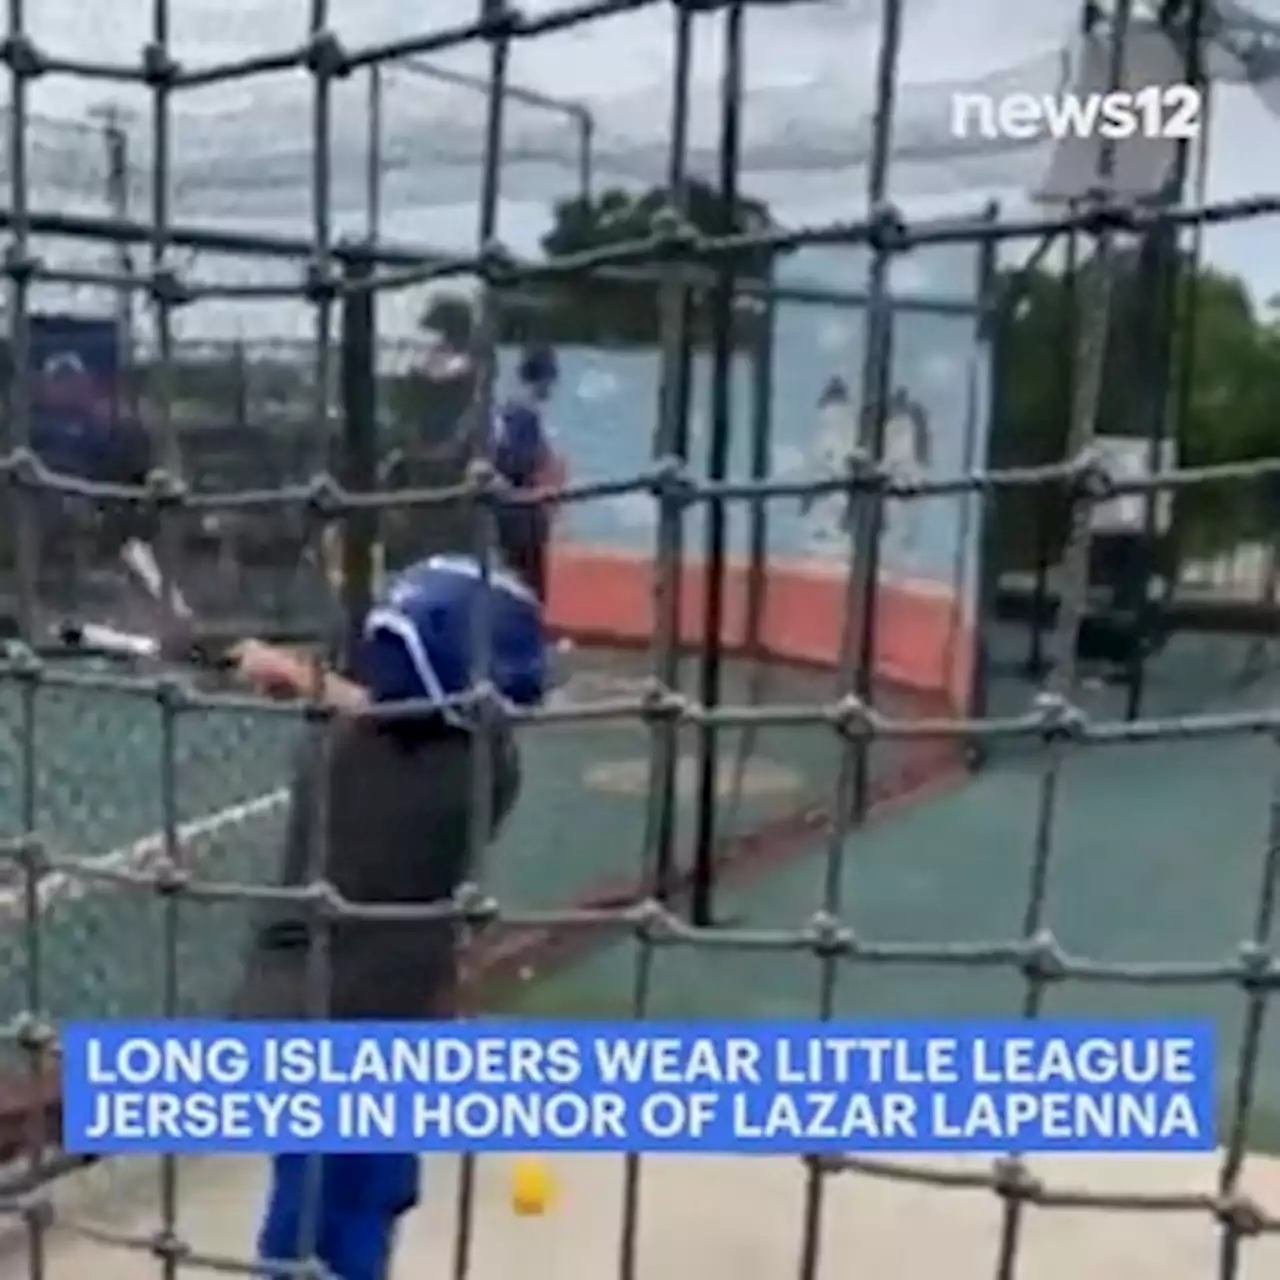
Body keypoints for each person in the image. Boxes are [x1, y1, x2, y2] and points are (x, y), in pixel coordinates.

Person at [231, 551, 547, 1280]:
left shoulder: (350, 749)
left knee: (337, 1195)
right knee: (337, 1207)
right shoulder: (481, 764)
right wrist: (305, 679)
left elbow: (374, 708)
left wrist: (293, 674)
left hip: (312, 1004)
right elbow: (390, 709)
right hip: (357, 1013)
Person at [491, 344, 567, 602]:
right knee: (526, 588)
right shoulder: (524, 412)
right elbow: (518, 462)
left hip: (512, 508)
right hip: (520, 511)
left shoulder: (509, 406)